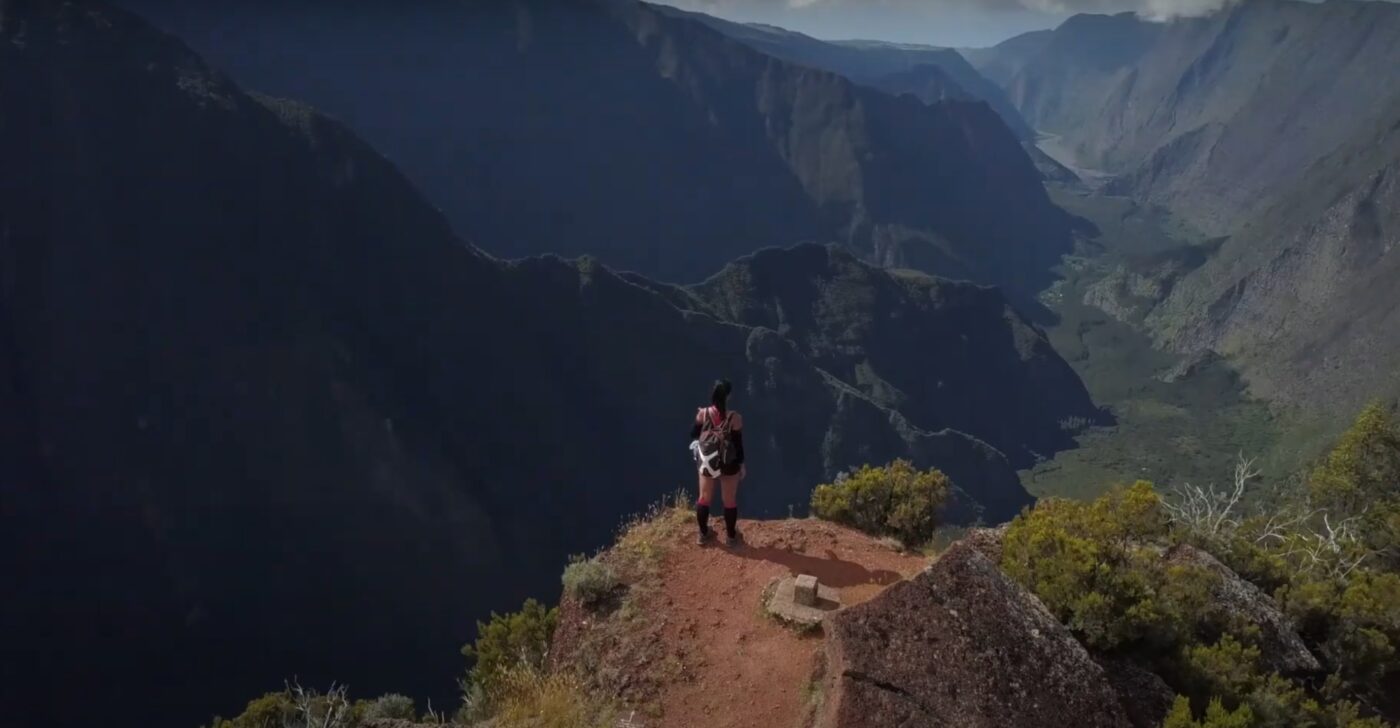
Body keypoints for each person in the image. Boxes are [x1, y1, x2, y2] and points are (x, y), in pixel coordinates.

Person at [690, 379, 745, 546]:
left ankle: (703, 534)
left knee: (704, 498)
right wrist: (741, 465)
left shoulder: (703, 414)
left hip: (709, 460)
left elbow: (694, 434)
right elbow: (738, 445)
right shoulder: (735, 418)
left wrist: (700, 417)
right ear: (728, 396)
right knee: (729, 500)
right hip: (729, 463)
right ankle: (730, 537)